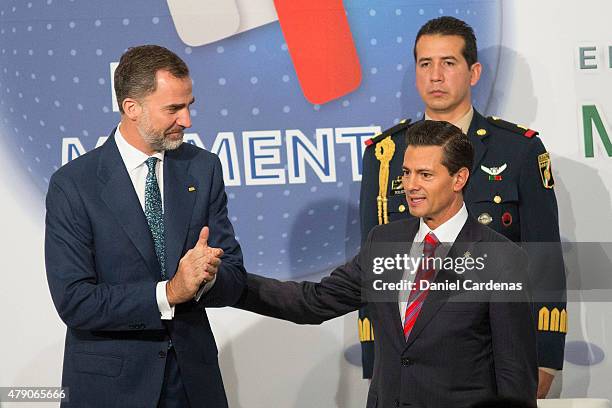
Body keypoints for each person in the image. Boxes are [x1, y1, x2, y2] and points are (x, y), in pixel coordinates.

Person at [238, 121, 537, 408]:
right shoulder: (384, 242)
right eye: (406, 173)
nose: (411, 185)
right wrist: (224, 282)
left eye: (425, 175)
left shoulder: (501, 259)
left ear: (459, 178)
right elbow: (312, 302)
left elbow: (515, 375)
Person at [358, 16, 566, 398]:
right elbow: (375, 272)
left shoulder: (518, 151)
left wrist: (544, 359)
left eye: (448, 63)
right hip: (409, 364)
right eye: (425, 64)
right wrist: (376, 359)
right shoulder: (385, 155)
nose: (435, 76)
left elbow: (545, 259)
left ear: (474, 72)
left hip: (492, 358)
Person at [45, 45, 246, 407]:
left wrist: (208, 276)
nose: (187, 120)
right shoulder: (74, 184)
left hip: (193, 385)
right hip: (112, 389)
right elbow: (75, 301)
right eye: (173, 108)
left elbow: (233, 275)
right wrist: (168, 292)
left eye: (189, 105)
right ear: (131, 108)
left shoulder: (203, 168)